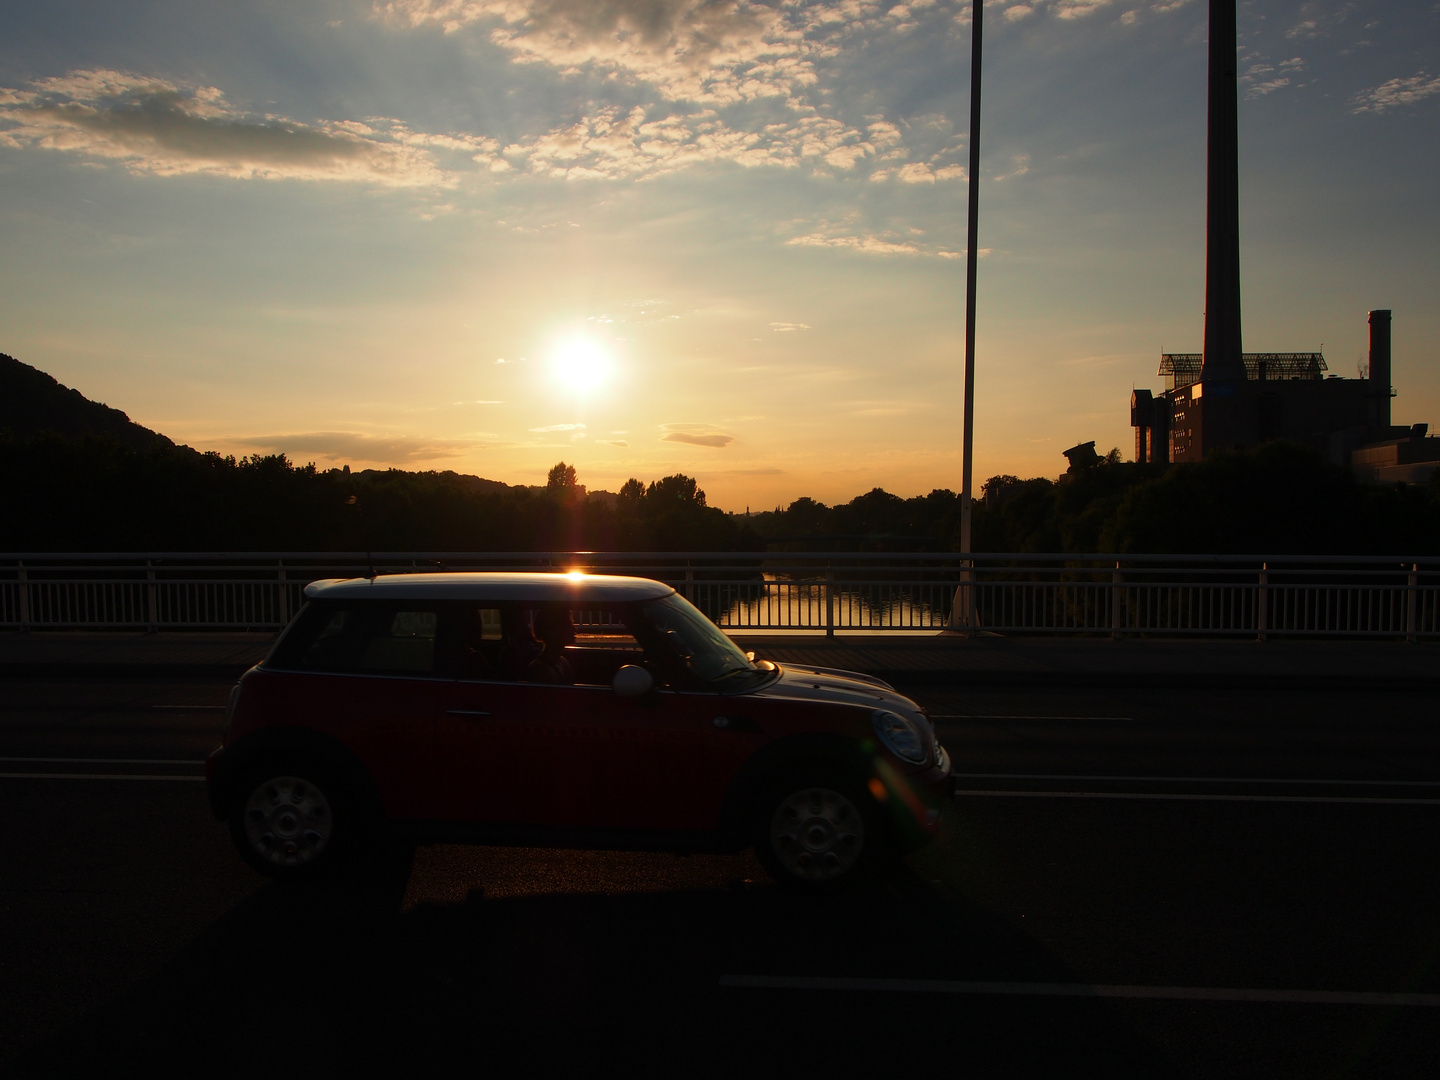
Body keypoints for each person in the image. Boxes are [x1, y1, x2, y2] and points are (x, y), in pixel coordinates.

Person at [527, 606, 576, 685]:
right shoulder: (540, 670)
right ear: (551, 631)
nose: (574, 629)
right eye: (568, 625)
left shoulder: (562, 662)